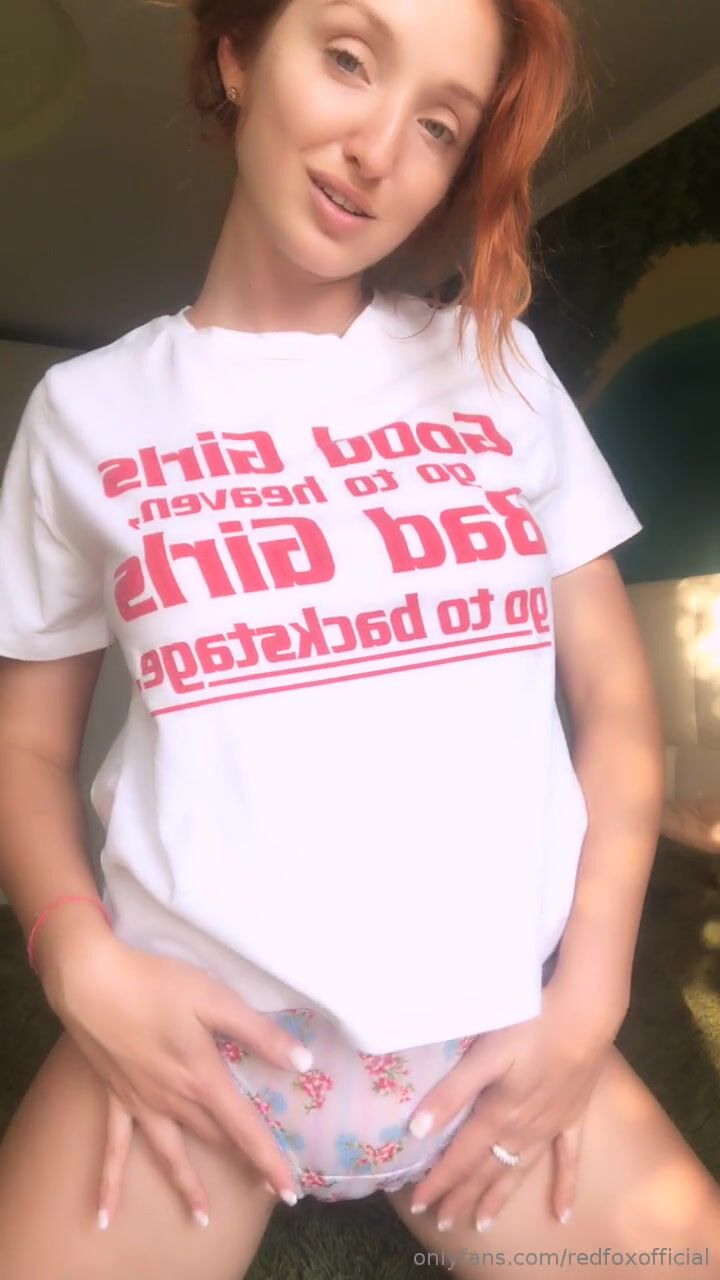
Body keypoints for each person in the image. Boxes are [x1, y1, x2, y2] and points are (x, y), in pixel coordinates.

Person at [0, 0, 718, 1275]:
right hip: (195, 1039)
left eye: (439, 125)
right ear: (236, 54)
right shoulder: (84, 413)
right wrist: (75, 959)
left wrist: (593, 988)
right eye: (346, 58)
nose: (378, 149)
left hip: (490, 1040)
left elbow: (614, 700)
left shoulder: (500, 369)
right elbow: (24, 747)